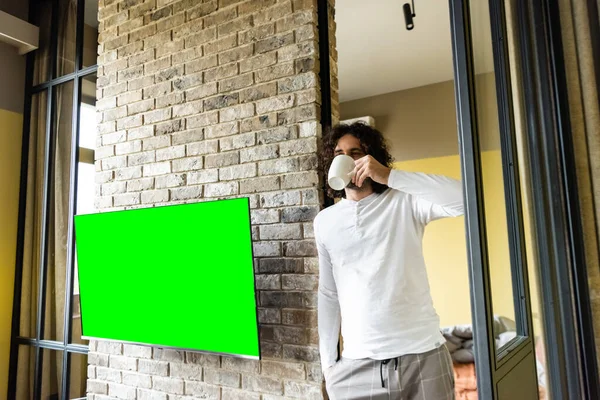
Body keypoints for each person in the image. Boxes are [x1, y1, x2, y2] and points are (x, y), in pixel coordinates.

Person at [314, 122, 464, 400]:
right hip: (355, 367)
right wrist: (328, 365)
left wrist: (389, 176)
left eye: (356, 152)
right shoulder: (325, 222)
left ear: (372, 157)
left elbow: (464, 198)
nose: (347, 159)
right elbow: (328, 293)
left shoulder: (406, 201)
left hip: (424, 357)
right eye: (339, 153)